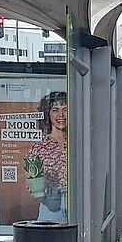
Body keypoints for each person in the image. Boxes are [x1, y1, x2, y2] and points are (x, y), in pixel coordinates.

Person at [34, 91, 68, 221]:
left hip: (78, 203)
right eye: (55, 110)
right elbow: (32, 182)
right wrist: (45, 197)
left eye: (65, 109)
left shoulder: (80, 142)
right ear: (48, 114)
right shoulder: (39, 147)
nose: (61, 115)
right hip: (51, 208)